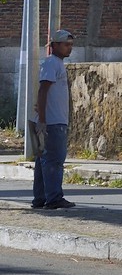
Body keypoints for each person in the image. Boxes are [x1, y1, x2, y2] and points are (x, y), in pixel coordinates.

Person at [32, 29, 75, 210]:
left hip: (52, 120)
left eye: (71, 45)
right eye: (66, 45)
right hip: (51, 122)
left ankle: (41, 198)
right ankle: (54, 198)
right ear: (54, 45)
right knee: (54, 161)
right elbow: (43, 91)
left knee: (43, 162)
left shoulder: (56, 63)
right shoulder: (51, 63)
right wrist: (42, 120)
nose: (69, 48)